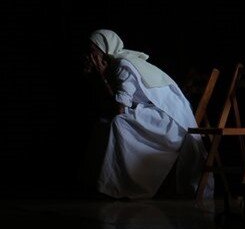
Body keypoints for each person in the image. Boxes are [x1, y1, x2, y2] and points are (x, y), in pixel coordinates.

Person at [82, 29, 213, 200]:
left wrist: (102, 78)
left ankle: (121, 186)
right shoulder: (115, 66)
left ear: (103, 51)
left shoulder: (122, 66)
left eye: (91, 50)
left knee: (119, 123)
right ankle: (97, 183)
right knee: (104, 121)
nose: (87, 56)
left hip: (170, 119)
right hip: (156, 113)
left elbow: (119, 108)